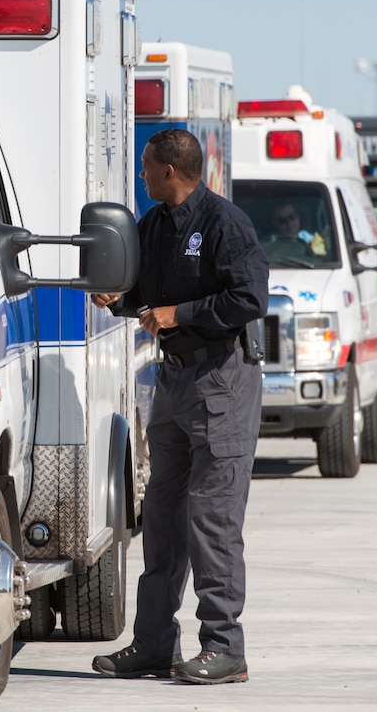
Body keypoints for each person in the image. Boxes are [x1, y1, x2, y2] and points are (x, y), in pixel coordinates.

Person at [90, 128, 269, 686]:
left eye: (146, 167)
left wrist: (179, 313)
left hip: (222, 384)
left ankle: (224, 648)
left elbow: (249, 299)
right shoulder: (154, 225)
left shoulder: (224, 223)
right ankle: (152, 646)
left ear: (170, 170)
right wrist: (121, 299)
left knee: (211, 522)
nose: (141, 176)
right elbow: (145, 296)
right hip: (172, 385)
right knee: (162, 521)